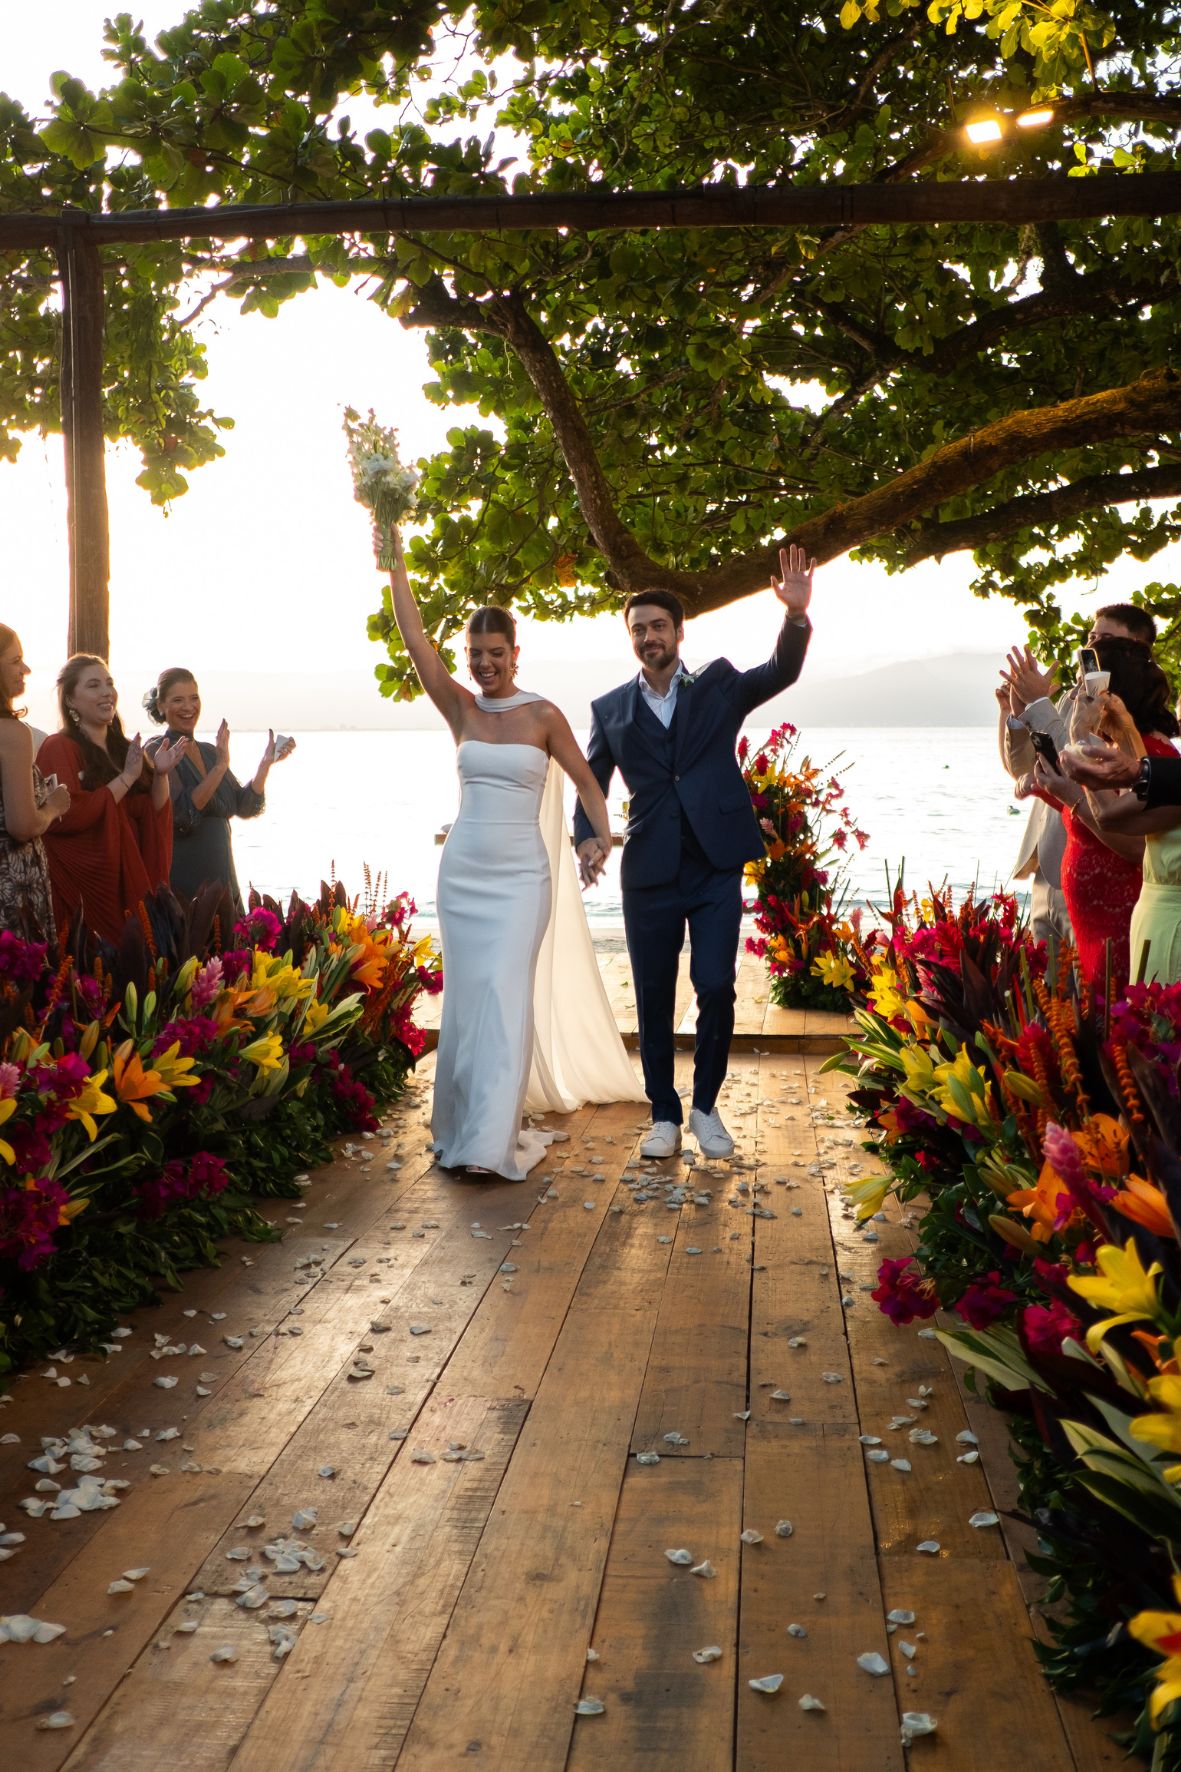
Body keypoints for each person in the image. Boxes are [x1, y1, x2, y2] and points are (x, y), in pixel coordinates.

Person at [385, 523, 643, 1181]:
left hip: (523, 877)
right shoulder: (460, 709)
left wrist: (592, 841)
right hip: (464, 874)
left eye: (494, 652)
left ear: (515, 652)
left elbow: (588, 785)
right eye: (474, 653)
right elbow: (415, 643)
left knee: (504, 996)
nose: (483, 663)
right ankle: (467, 1126)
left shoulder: (543, 715)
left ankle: (487, 1142)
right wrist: (395, 563)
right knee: (470, 1001)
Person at [574, 546, 814, 1161]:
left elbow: (779, 673)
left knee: (716, 984)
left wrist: (794, 616)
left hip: (713, 865)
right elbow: (592, 783)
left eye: (658, 626)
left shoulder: (720, 686)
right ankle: (664, 1114)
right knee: (653, 998)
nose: (649, 637)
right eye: (638, 630)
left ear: (680, 633)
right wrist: (588, 837)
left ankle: (705, 1107)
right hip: (650, 870)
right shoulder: (610, 710)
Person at [1017, 636, 1179, 992]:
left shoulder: (1159, 757)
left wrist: (1076, 735)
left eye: (1083, 687)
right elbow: (1128, 792)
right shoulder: (1134, 750)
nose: (1075, 697)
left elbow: (1119, 823)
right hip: (1125, 922)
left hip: (1138, 921)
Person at [998, 605, 1158, 947]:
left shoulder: (1130, 707)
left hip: (1102, 868)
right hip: (1051, 865)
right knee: (1046, 990)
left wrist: (1039, 703)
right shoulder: (1072, 697)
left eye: (1107, 639)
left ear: (1136, 650)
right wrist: (1017, 713)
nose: (1093, 647)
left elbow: (1080, 763)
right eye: (1092, 637)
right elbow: (1025, 767)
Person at [37, 655, 188, 947]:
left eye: (109, 683)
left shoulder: (125, 748)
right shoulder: (59, 747)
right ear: (70, 700)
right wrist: (126, 779)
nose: (107, 692)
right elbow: (67, 815)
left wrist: (160, 774)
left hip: (132, 876)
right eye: (94, 686)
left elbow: (151, 812)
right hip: (92, 888)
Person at [143, 667, 293, 917]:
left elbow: (244, 805)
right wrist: (221, 767)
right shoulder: (159, 750)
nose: (188, 707)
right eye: (178, 700)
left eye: (194, 698)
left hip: (224, 878)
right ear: (161, 706)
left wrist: (265, 764)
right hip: (186, 877)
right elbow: (182, 815)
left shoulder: (211, 752)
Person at [1059, 687, 1181, 986]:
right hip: (1153, 921)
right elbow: (1141, 796)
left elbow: (1112, 816)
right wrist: (1125, 732)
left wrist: (1079, 737)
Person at [0, 627, 70, 940]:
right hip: (11, 888)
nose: (25, 669)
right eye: (16, 661)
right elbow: (22, 825)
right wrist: (53, 806)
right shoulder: (12, 734)